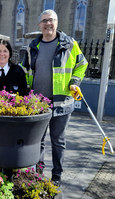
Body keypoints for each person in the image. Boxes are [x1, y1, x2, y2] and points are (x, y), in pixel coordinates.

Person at [21, 9, 88, 187]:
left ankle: (57, 175)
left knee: (58, 140)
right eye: (43, 21)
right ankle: (38, 173)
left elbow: (82, 64)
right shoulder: (32, 47)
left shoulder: (69, 43)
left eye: (50, 20)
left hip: (62, 102)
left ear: (57, 22)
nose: (47, 24)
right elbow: (25, 70)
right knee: (38, 140)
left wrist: (75, 82)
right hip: (38, 103)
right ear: (39, 25)